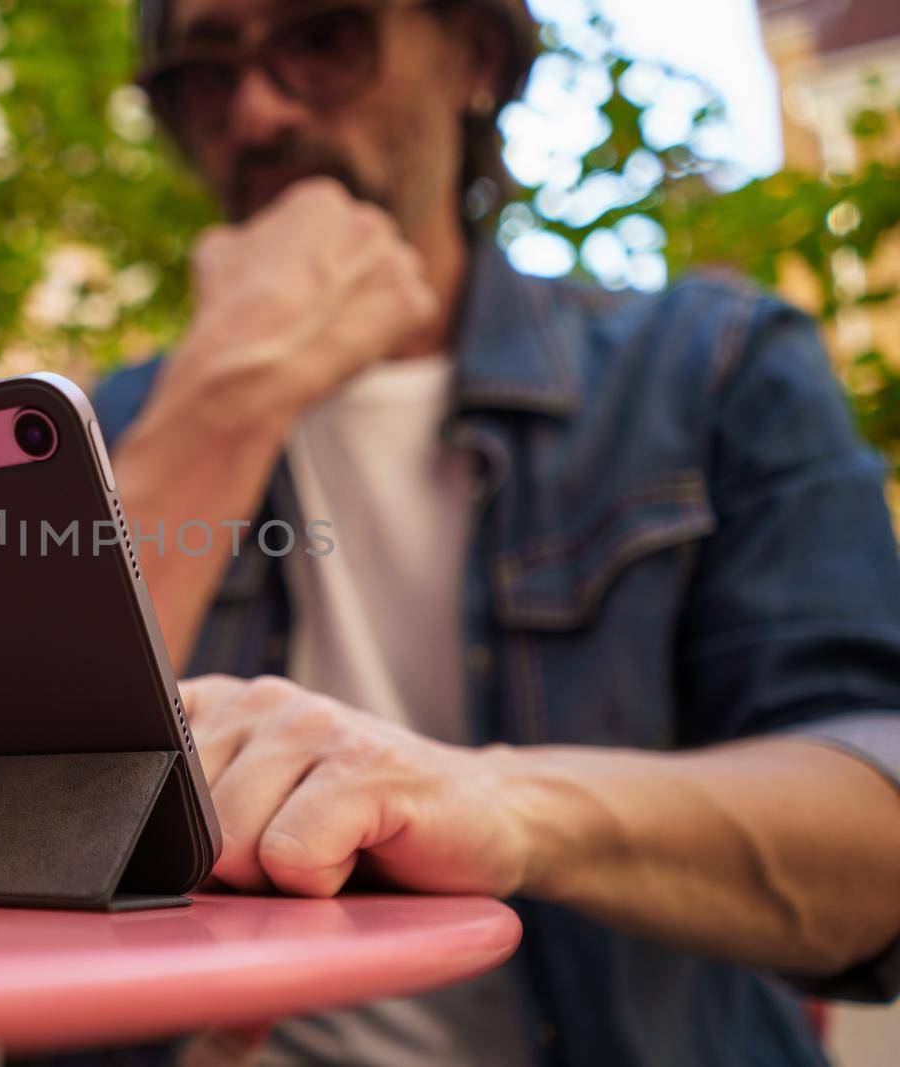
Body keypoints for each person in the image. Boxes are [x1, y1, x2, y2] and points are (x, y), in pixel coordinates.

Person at [86, 0, 900, 1063]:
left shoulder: (712, 366)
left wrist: (493, 799)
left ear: (472, 54)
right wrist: (221, 399)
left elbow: (873, 844)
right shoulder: (112, 430)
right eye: (198, 75)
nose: (254, 109)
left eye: (324, 38)